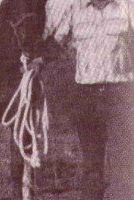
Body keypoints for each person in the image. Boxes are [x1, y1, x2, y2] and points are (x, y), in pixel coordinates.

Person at [37, 0, 134, 199]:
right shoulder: (75, 10)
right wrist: (37, 61)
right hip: (86, 97)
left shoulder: (127, 7)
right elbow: (56, 43)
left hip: (120, 95)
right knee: (91, 163)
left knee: (123, 162)